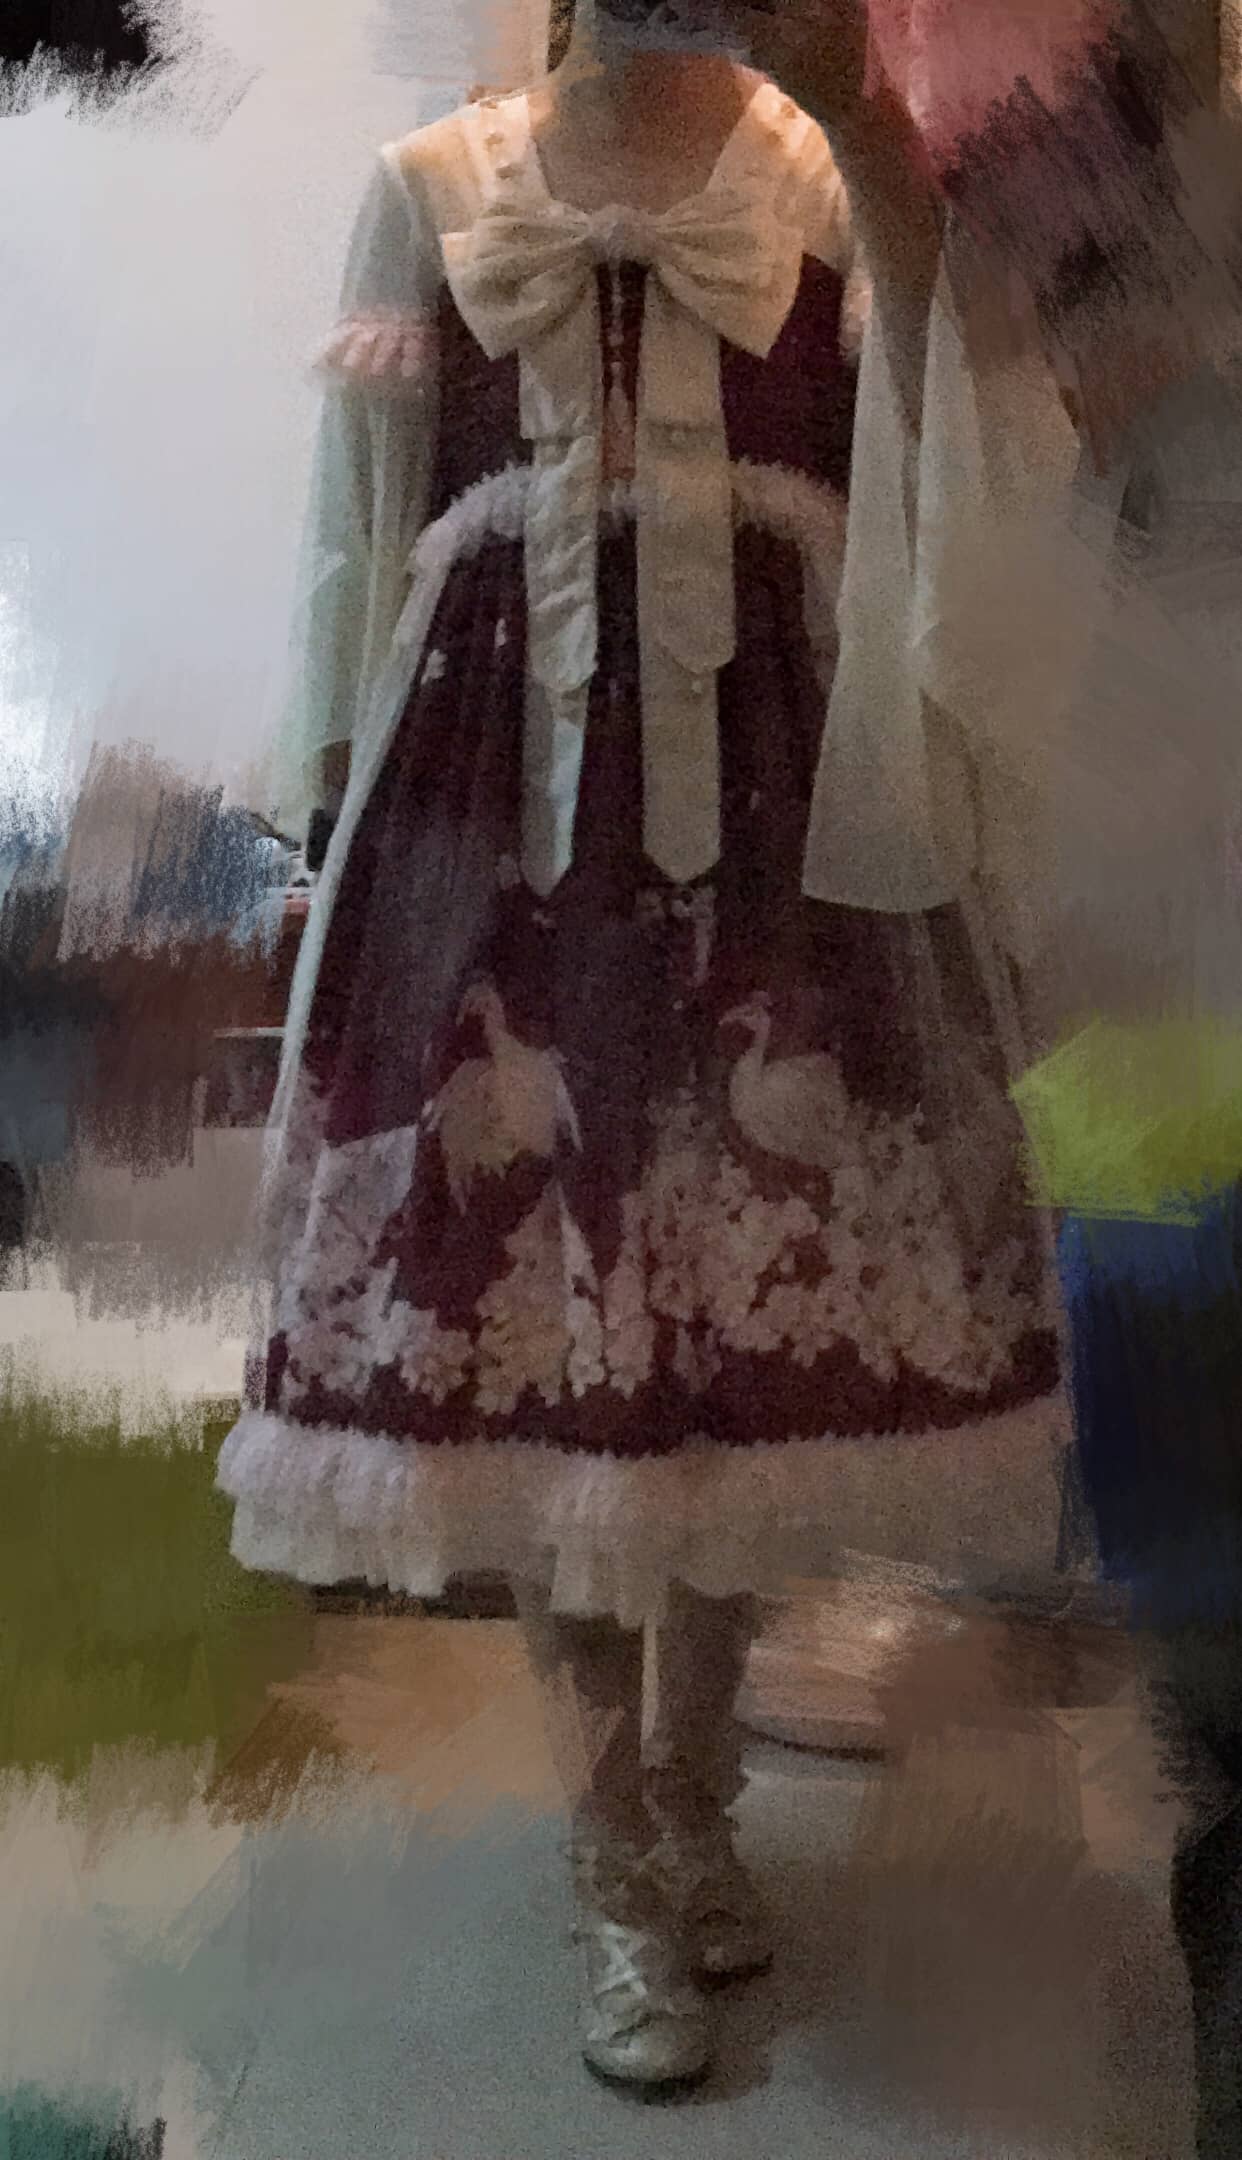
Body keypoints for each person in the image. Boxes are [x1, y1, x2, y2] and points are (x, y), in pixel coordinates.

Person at [217, 0, 1071, 2092]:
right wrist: (331, 822)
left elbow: (959, 465)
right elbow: (354, 518)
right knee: (548, 1327)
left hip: (784, 826)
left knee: (727, 1340)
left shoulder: (828, 174)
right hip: (491, 835)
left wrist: (873, 140)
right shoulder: (432, 193)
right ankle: (617, 1850)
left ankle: (696, 1796)